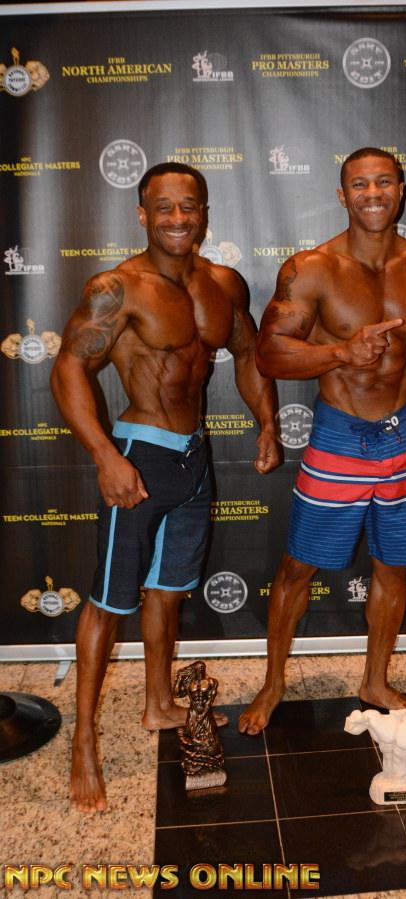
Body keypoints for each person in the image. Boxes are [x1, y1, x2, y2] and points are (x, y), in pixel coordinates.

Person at [50, 162, 279, 812]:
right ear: (143, 214)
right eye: (164, 206)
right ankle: (84, 741)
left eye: (189, 205)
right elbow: (68, 369)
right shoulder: (118, 288)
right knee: (107, 603)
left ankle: (158, 703)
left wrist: (266, 421)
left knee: (168, 593)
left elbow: (247, 354)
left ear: (203, 212)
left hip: (193, 458)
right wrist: (104, 455)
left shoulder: (223, 284)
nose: (178, 217)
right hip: (139, 455)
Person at [238, 147, 406, 735]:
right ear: (342, 195)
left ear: (402, 190)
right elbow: (268, 354)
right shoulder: (312, 268)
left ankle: (375, 680)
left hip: (403, 436)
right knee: (298, 567)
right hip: (339, 435)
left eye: (384, 182)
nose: (373, 194)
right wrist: (341, 351)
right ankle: (273, 683)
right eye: (360, 185)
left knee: (393, 567)